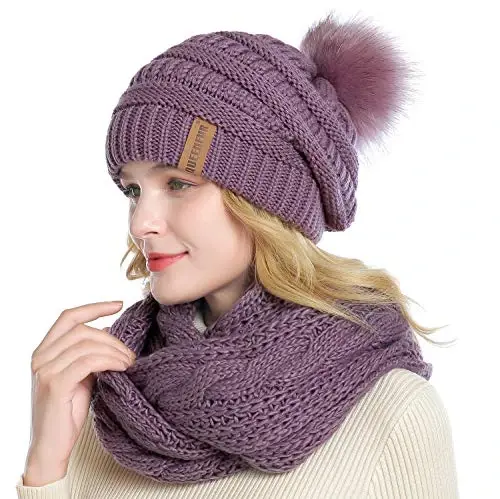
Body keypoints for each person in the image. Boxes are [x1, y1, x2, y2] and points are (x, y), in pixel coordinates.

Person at [16, 11, 459, 498]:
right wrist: (45, 463)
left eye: (178, 183)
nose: (141, 223)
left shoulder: (392, 414)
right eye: (133, 190)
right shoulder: (108, 401)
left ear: (267, 200)